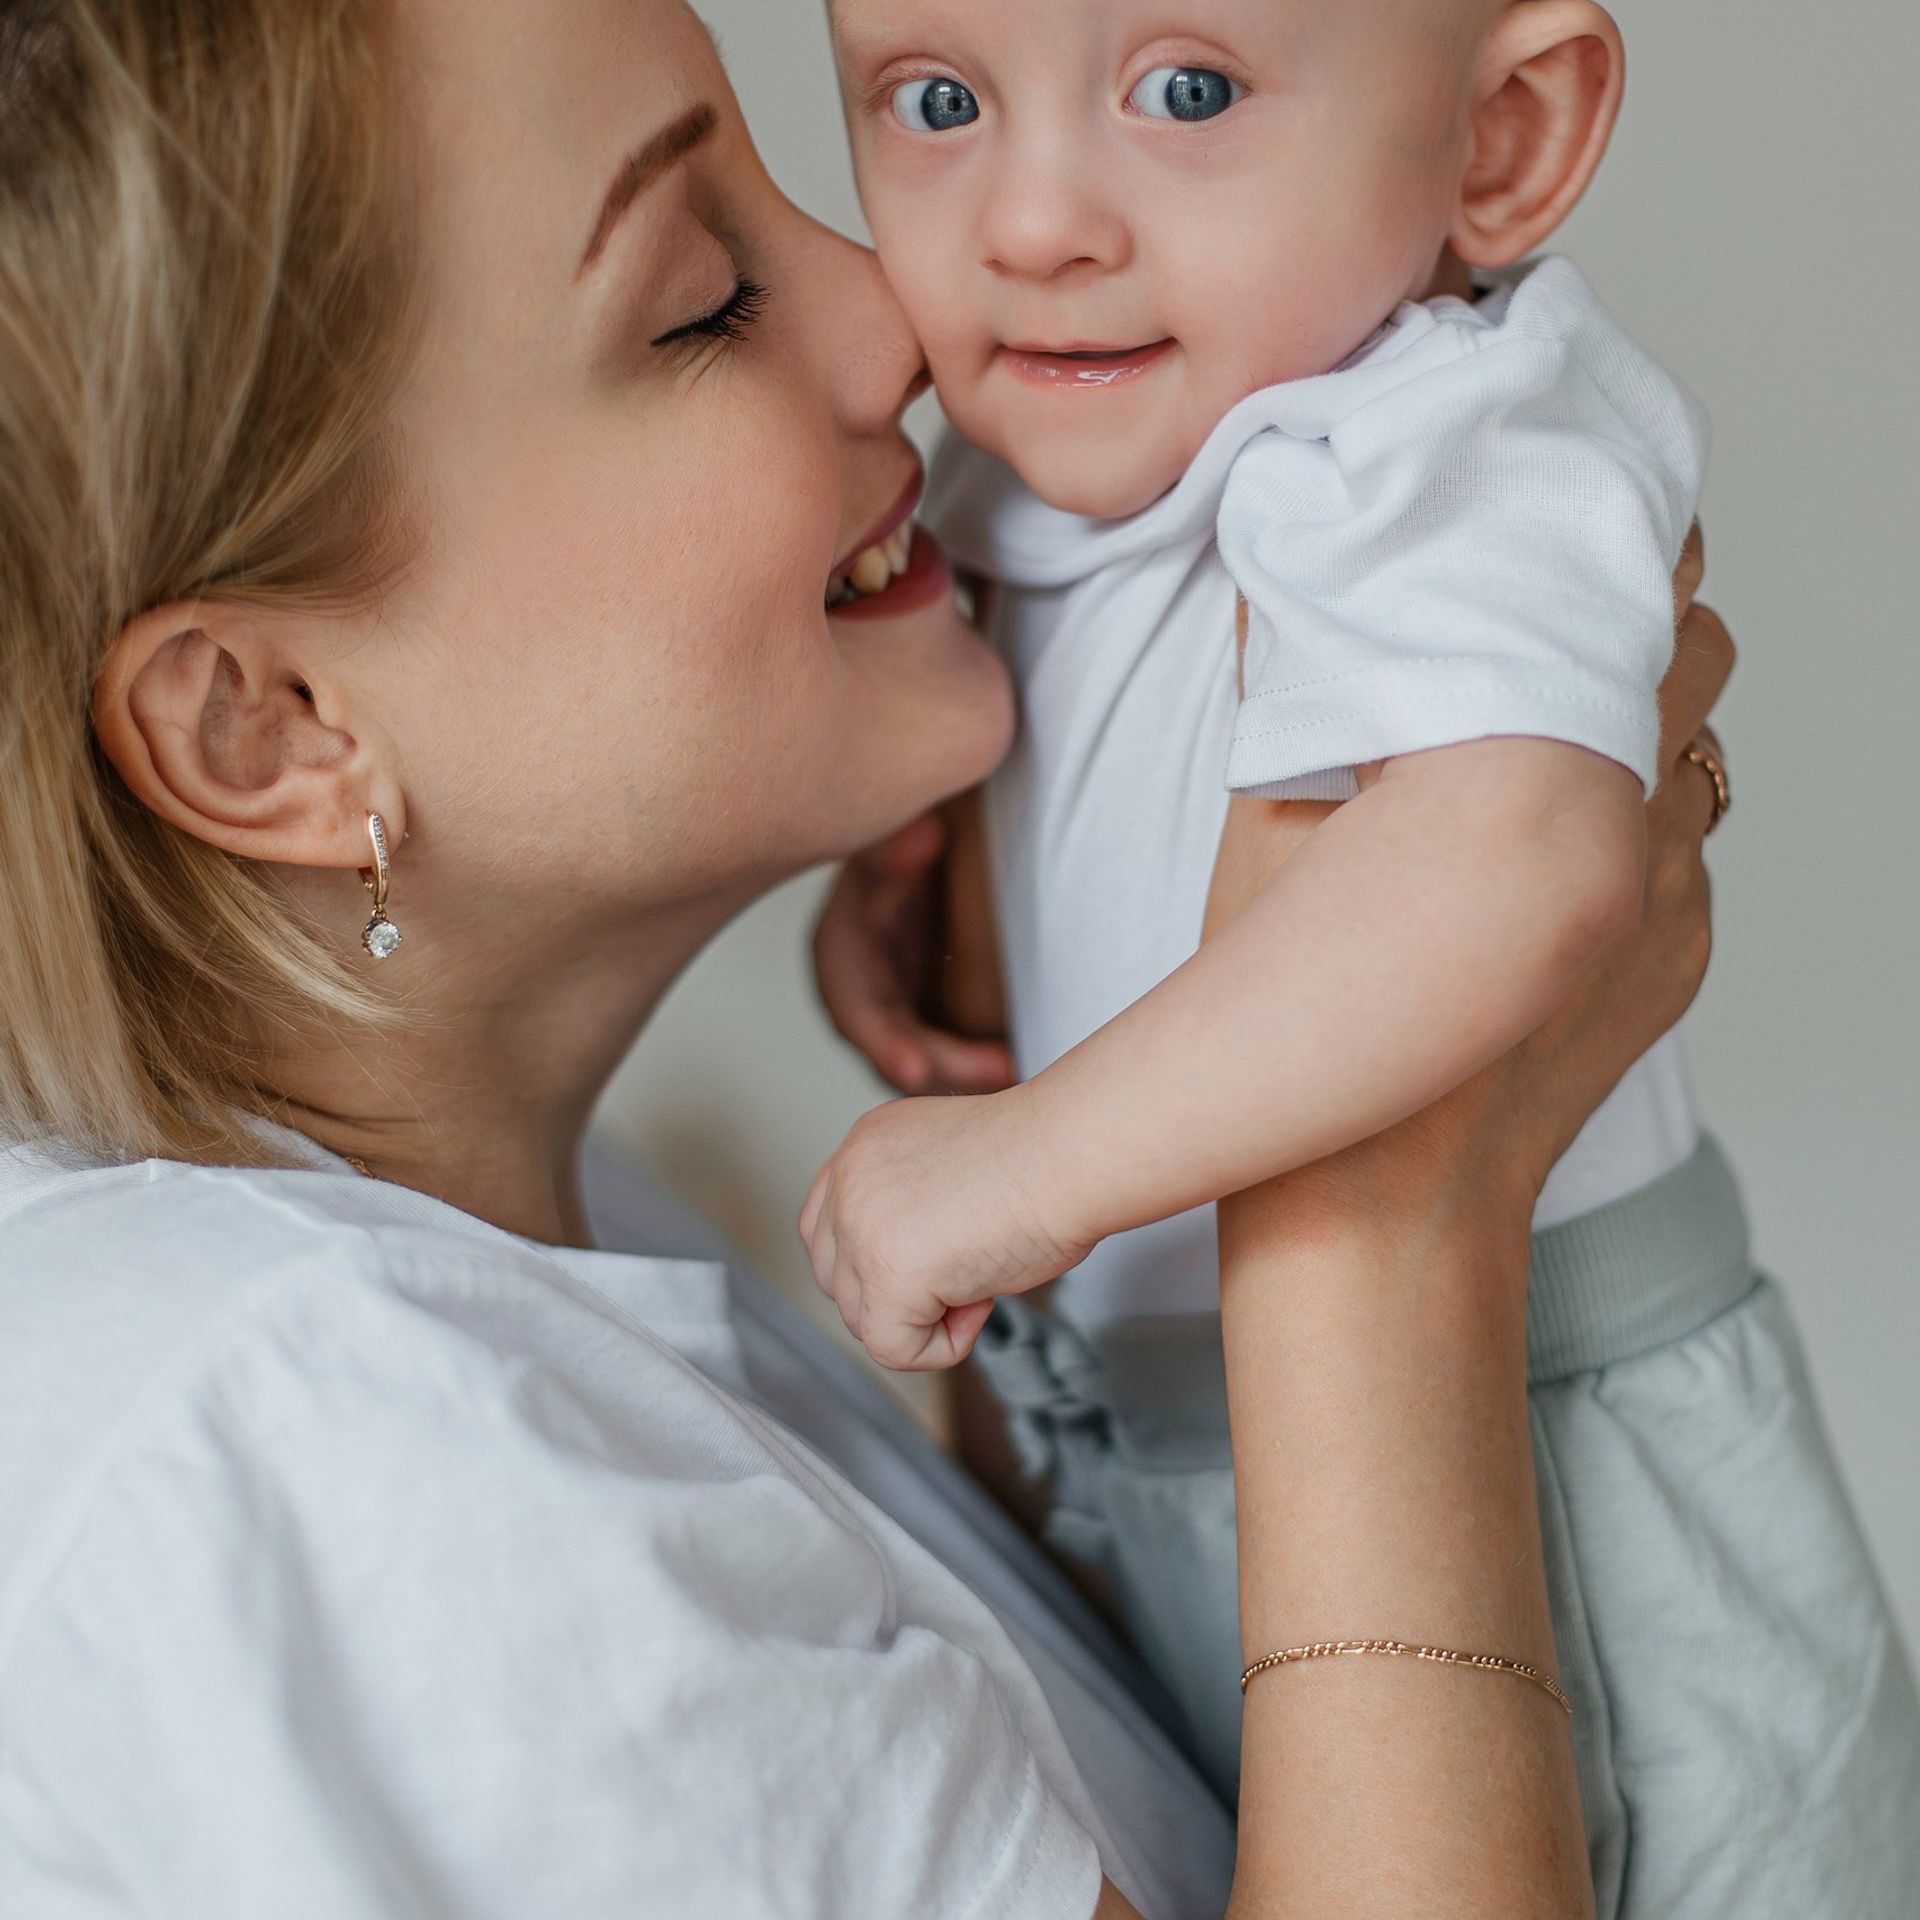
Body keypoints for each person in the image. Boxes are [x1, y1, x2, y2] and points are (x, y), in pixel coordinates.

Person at [0, 3, 1885, 1917]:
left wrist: (1036, 1052)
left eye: (1187, 93)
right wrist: (1363, 1227)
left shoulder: (534, 1259)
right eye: (702, 295)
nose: (899, 309)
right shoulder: (301, 1427)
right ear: (273, 729)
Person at [801, 0, 1920, 1908]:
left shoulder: (1437, 426)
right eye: (936, 101)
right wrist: (923, 910)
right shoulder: (1058, 458)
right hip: (1215, 1473)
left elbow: (1519, 856)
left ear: (1503, 140)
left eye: (1187, 90)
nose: (1035, 219)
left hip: (1556, 1477)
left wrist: (1029, 1163)